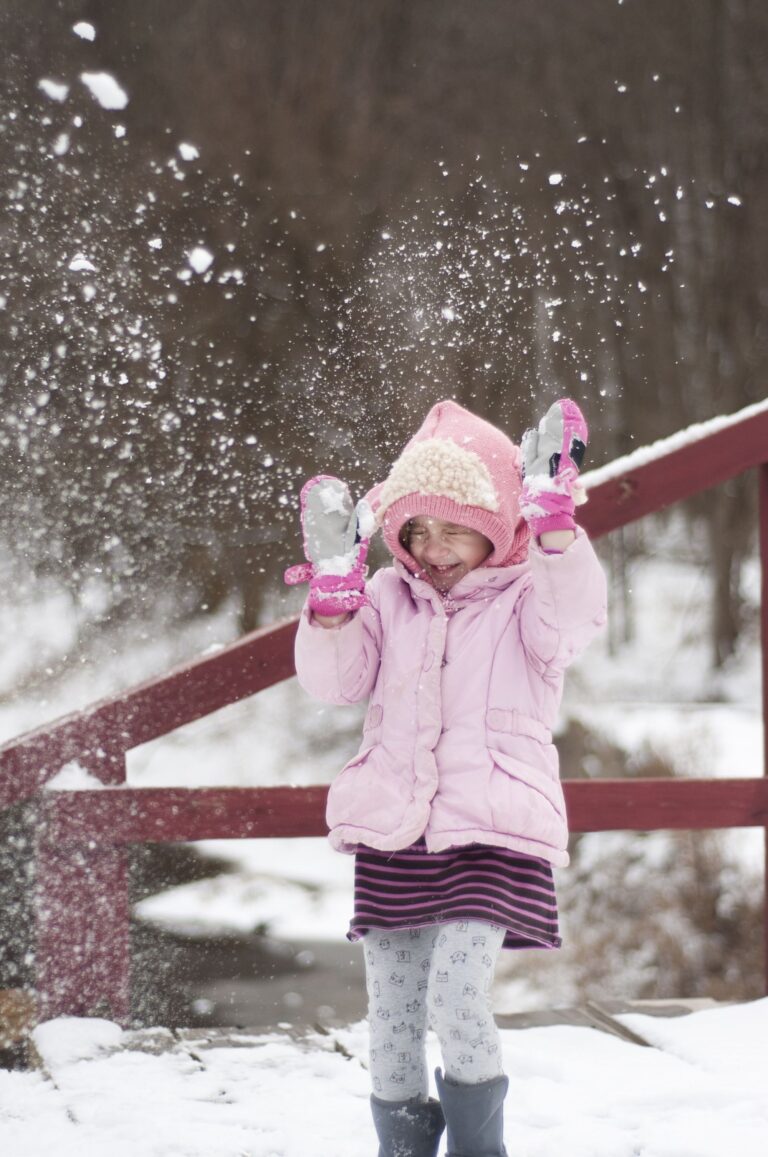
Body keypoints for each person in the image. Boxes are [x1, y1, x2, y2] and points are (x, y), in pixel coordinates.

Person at [285, 398, 607, 1157]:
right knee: (392, 1016)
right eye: (415, 530)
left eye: (454, 526)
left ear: (499, 521)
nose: (432, 547)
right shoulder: (388, 599)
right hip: (397, 833)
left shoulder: (531, 595)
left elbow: (575, 618)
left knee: (457, 995)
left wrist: (556, 522)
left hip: (491, 830)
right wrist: (333, 603)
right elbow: (336, 682)